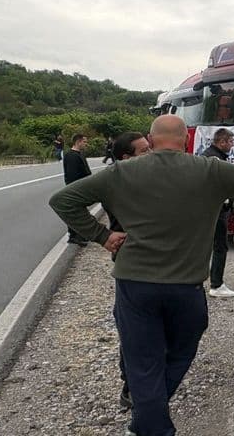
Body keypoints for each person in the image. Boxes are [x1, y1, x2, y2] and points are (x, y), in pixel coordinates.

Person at [49, 115, 234, 436]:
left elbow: (63, 200)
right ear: (187, 139)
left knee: (143, 362)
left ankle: (148, 416)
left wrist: (102, 236)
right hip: (185, 286)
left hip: (135, 284)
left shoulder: (119, 172)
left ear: (151, 138)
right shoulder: (209, 171)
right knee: (181, 349)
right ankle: (151, 423)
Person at [104, 131, 151, 411]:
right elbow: (67, 199)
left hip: (154, 265)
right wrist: (102, 236)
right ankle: (131, 386)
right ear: (125, 159)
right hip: (131, 265)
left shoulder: (141, 176)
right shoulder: (118, 181)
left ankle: (143, 383)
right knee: (133, 331)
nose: (151, 154)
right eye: (144, 151)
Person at [201, 128, 234, 298]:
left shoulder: (209, 155)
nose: (232, 145)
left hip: (211, 209)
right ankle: (217, 284)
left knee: (209, 245)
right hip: (217, 210)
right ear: (221, 142)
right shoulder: (215, 159)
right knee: (220, 247)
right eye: (230, 142)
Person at [62, 134, 92, 246]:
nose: (85, 144)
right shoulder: (71, 156)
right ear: (78, 142)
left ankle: (79, 234)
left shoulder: (80, 154)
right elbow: (71, 175)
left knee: (79, 212)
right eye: (84, 142)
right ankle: (74, 236)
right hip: (75, 189)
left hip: (82, 187)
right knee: (75, 213)